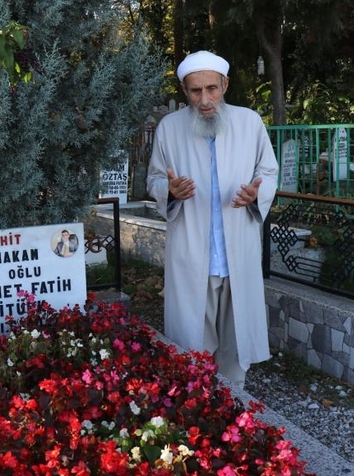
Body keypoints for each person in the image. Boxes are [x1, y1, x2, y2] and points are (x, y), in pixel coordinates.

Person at [146, 50, 279, 388]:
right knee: (192, 340)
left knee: (236, 342)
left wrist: (256, 195)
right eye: (195, 91)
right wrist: (171, 190)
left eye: (212, 89)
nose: (205, 100)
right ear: (184, 91)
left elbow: (268, 170)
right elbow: (155, 180)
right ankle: (196, 402)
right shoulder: (169, 128)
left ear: (226, 84)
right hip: (192, 254)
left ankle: (234, 402)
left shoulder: (250, 122)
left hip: (238, 250)